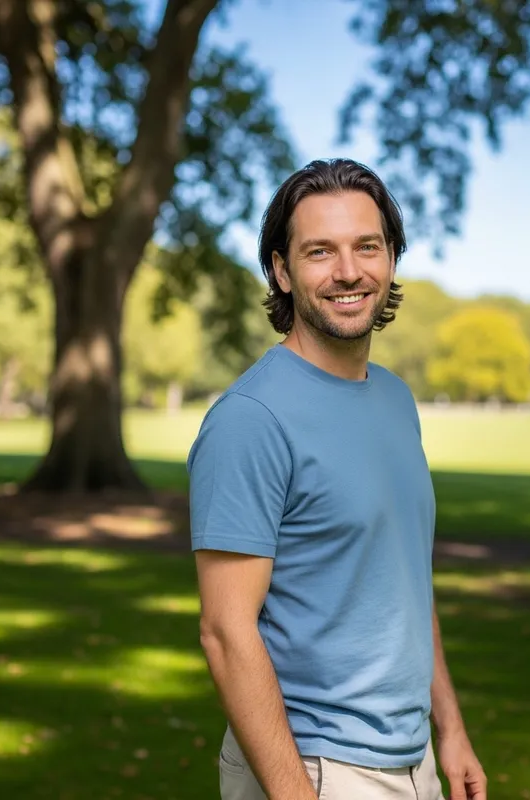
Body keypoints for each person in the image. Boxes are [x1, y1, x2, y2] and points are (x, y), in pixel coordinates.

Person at [187, 159, 486, 800]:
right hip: (313, 768)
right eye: (320, 251)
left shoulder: (395, 399)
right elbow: (225, 630)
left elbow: (404, 580)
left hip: (414, 762)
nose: (348, 272)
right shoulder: (250, 419)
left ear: (391, 259)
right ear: (282, 270)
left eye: (367, 247)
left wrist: (450, 728)